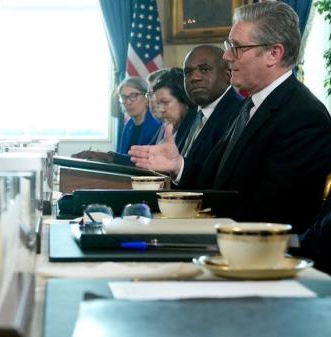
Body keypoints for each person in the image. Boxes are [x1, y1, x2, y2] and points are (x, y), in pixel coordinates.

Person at [130, 1, 331, 233]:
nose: (226, 56)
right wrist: (178, 165)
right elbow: (220, 182)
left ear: (274, 53)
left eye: (236, 47)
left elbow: (271, 213)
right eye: (228, 45)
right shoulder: (251, 105)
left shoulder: (303, 116)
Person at [71, 77, 160, 164]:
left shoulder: (156, 124)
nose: (128, 102)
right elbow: (121, 159)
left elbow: (144, 162)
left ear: (146, 98)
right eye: (124, 97)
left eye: (133, 96)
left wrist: (107, 156)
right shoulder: (128, 125)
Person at [179, 45, 243, 165]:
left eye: (204, 69)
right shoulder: (191, 114)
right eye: (188, 72)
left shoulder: (240, 114)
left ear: (228, 76)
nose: (194, 78)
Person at [150, 68, 197, 151]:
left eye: (165, 102)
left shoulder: (196, 129)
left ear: (184, 99)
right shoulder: (167, 125)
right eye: (158, 103)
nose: (161, 110)